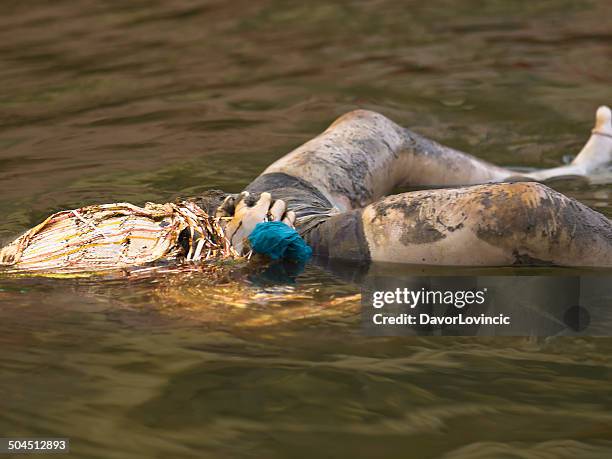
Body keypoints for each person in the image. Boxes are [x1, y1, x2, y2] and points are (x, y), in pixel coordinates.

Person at [2, 106, 611, 273]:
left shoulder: (12, 255)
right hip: (268, 251)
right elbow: (172, 318)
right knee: (522, 215)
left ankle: (581, 171)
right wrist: (249, 258)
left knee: (370, 129)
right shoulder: (32, 291)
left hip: (230, 210)